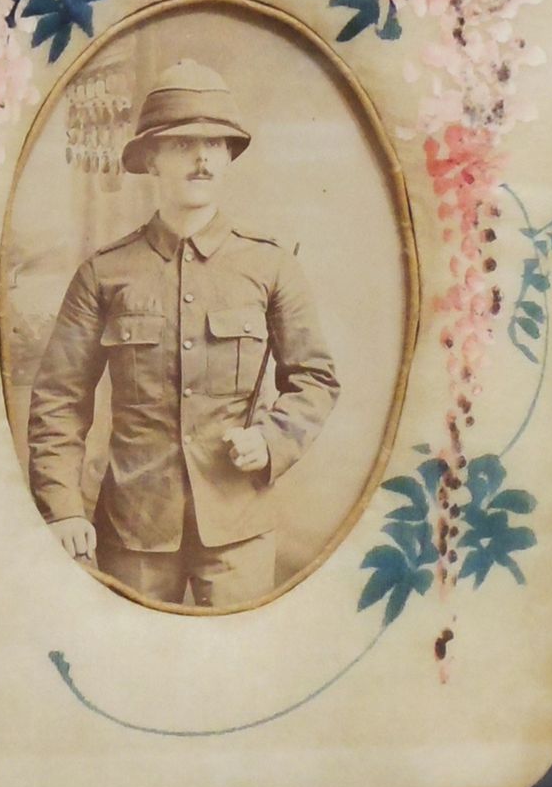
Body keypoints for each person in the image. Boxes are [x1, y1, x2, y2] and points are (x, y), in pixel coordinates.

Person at [27, 60, 340, 607]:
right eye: (182, 144)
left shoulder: (270, 266)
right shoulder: (104, 273)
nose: (202, 158)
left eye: (215, 144)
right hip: (133, 530)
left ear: (228, 156)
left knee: (239, 654)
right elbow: (59, 397)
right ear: (150, 158)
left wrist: (270, 440)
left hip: (239, 531)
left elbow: (315, 379)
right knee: (131, 656)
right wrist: (63, 508)